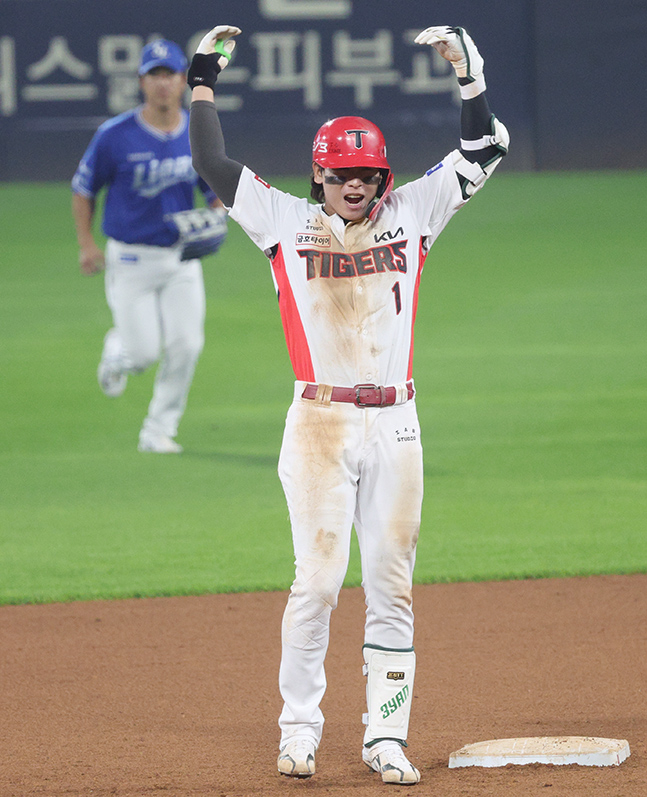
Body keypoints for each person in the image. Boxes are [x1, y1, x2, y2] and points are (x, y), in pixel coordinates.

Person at [188, 24, 509, 784]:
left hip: (397, 422)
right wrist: (202, 77)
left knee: (391, 582)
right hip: (319, 424)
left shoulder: (412, 211)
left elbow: (482, 149)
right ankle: (297, 729)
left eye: (367, 173)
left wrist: (469, 75)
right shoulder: (283, 221)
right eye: (341, 174)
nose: (356, 185)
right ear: (319, 176)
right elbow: (210, 161)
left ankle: (384, 737)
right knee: (320, 582)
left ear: (383, 175)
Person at [72, 39, 227, 454]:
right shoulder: (114, 136)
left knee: (187, 344)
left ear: (183, 81)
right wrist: (87, 244)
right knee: (142, 355)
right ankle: (117, 349)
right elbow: (84, 189)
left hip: (180, 258)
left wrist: (217, 213)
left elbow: (212, 188)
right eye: (154, 75)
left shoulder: (194, 134)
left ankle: (159, 429)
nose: (163, 83)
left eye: (170, 74)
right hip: (130, 258)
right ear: (142, 81)